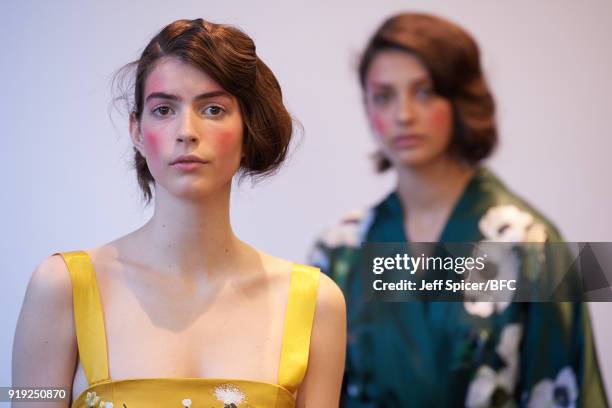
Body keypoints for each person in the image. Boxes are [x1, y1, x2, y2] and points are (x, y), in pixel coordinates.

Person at [13, 18, 346, 408]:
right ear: (137, 130)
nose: (186, 130)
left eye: (213, 109)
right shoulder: (59, 287)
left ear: (248, 128)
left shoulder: (316, 303)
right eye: (163, 109)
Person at [309, 12, 608, 407]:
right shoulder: (339, 251)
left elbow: (568, 392)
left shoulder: (531, 246)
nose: (403, 115)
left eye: (425, 91)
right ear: (366, 107)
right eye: (384, 96)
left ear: (460, 99)